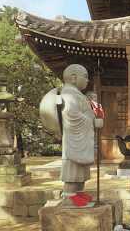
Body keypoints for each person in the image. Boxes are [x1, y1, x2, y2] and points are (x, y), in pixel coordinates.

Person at [40, 64, 102, 206]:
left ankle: (79, 193)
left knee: (81, 171)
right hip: (74, 138)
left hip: (80, 137)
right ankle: (69, 195)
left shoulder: (77, 94)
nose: (87, 81)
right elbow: (71, 115)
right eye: (85, 77)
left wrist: (92, 118)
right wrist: (91, 119)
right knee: (73, 167)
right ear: (73, 77)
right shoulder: (68, 94)